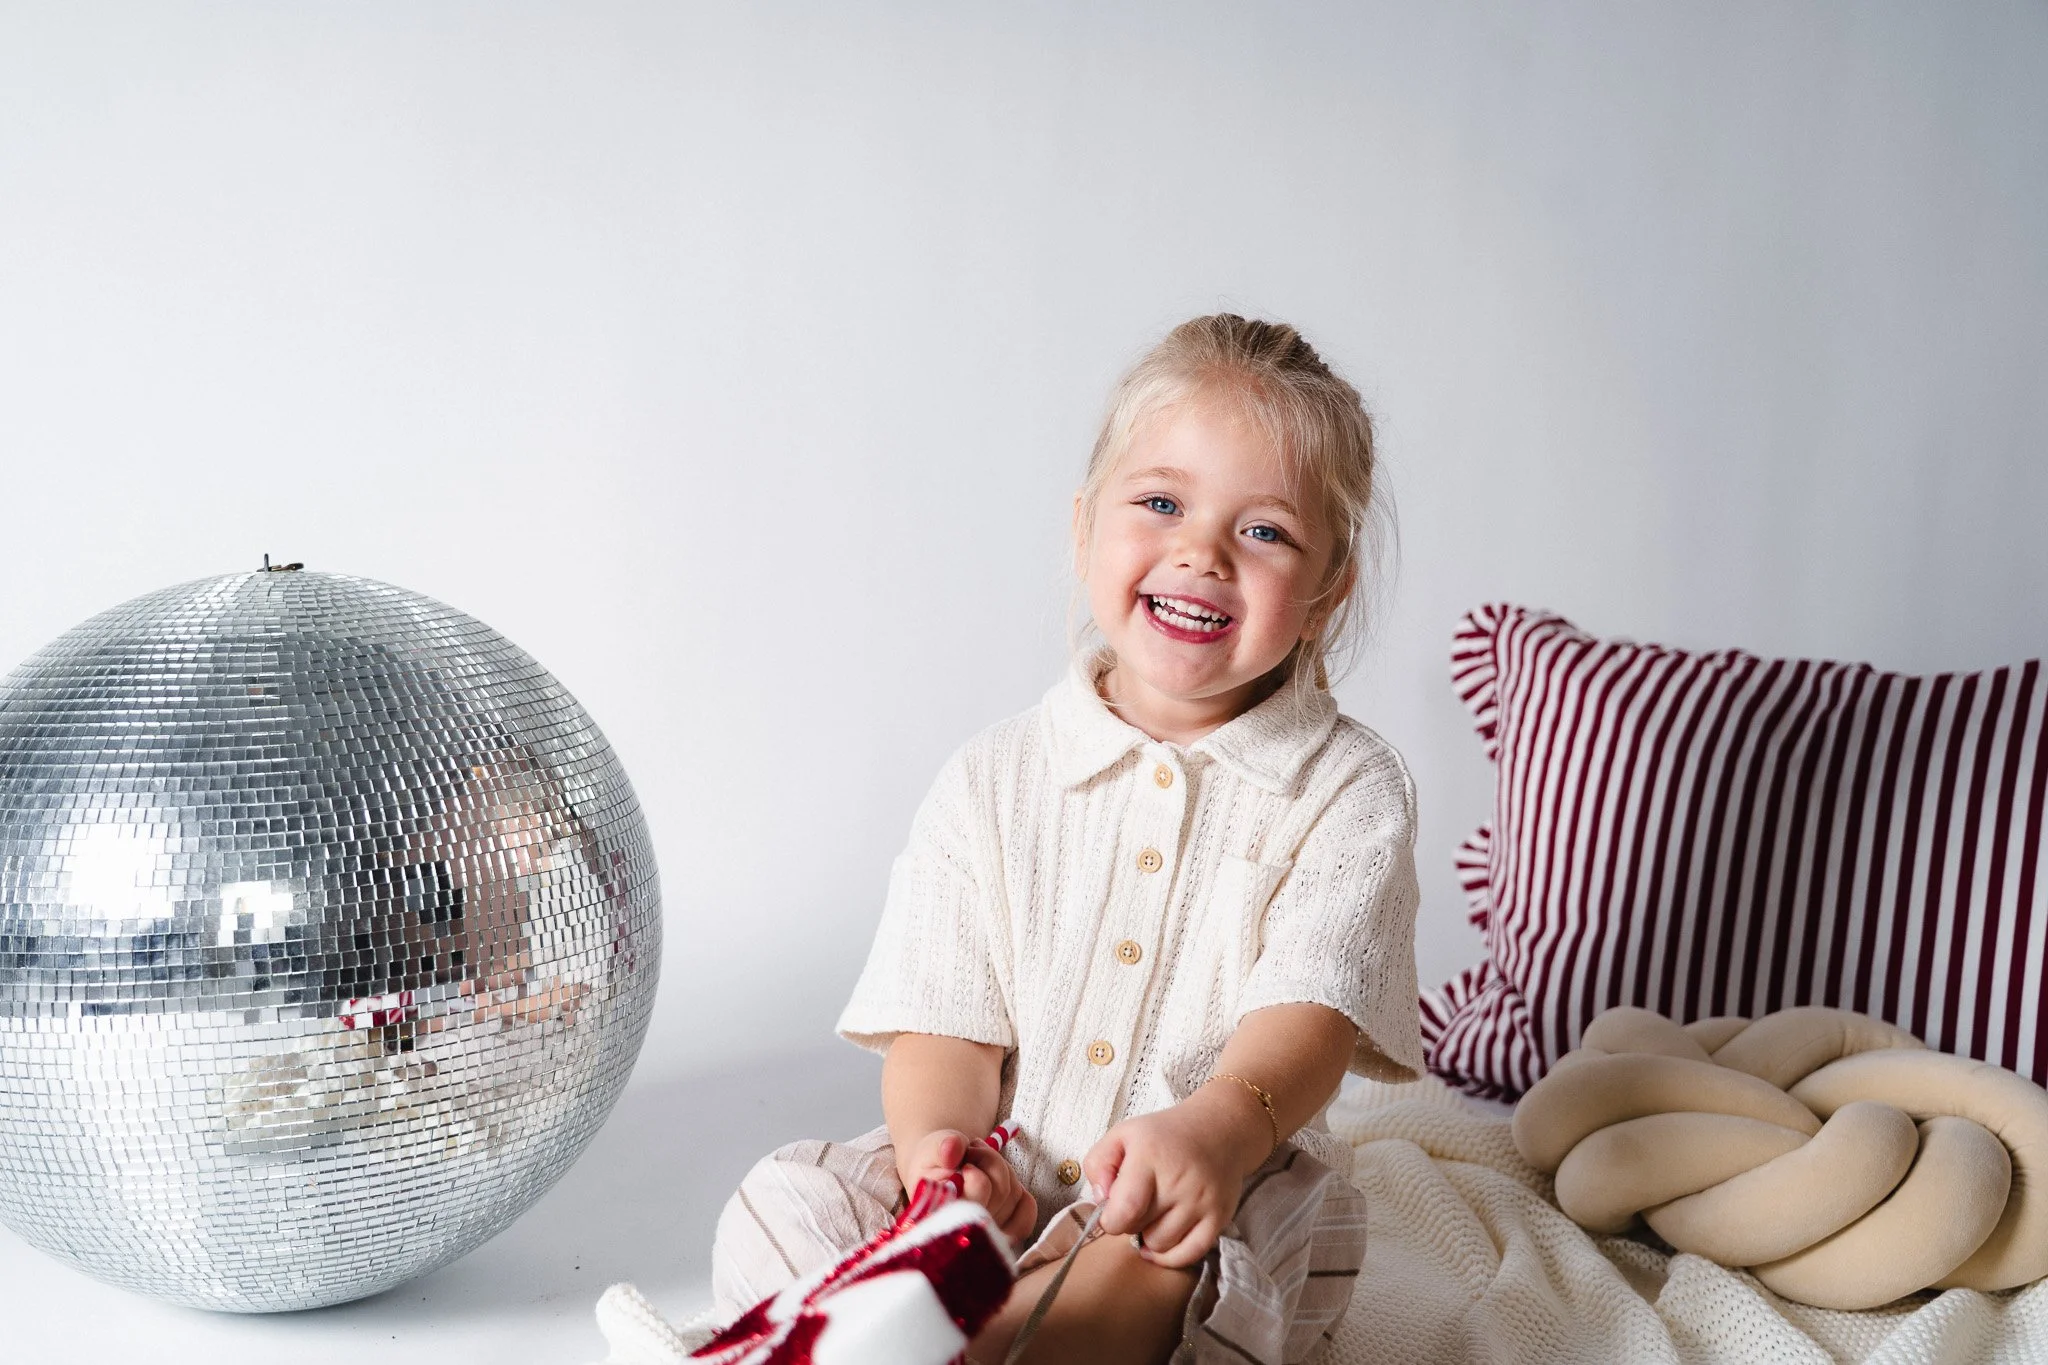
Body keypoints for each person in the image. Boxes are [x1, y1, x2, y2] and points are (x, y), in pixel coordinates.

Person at [710, 314, 1424, 1363]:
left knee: (1169, 1267)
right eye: (1160, 503)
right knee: (782, 1201)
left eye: (1264, 531)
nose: (1201, 551)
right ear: (1086, 526)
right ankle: (922, 1319)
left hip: (1207, 1184)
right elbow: (944, 1023)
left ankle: (958, 1341)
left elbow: (1309, 1017)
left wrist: (1218, 1133)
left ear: (1327, 589)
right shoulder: (993, 779)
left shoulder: (1346, 790)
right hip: (1009, 1169)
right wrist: (940, 1165)